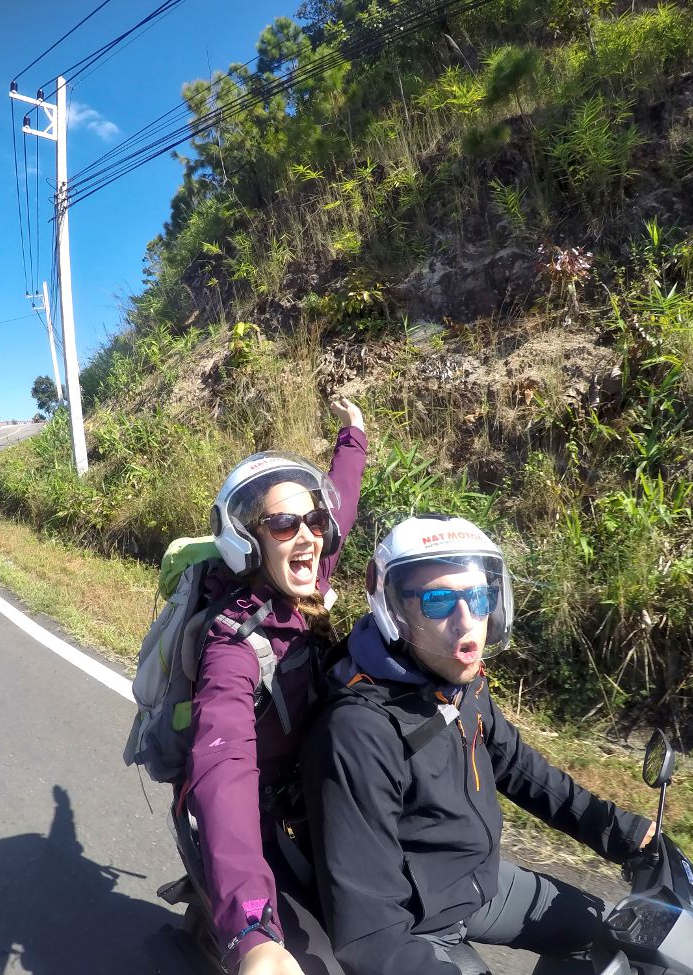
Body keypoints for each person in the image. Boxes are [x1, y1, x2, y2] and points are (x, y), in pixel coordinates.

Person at [300, 515, 656, 975]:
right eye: (438, 600)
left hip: (478, 881)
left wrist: (618, 831)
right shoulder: (357, 731)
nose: (466, 622)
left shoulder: (455, 681)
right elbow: (371, 933)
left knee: (618, 935)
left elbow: (516, 764)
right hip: (419, 924)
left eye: (479, 597)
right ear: (395, 610)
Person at [185, 395, 367, 975]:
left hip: (314, 780)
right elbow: (223, 766)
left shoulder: (305, 579)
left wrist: (353, 433)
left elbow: (347, 496)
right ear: (248, 541)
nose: (308, 536)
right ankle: (227, 927)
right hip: (263, 807)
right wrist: (253, 931)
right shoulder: (231, 643)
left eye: (313, 520)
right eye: (285, 523)